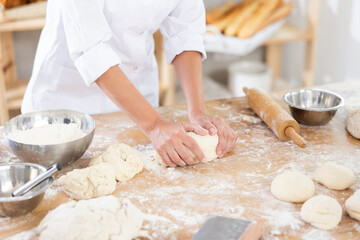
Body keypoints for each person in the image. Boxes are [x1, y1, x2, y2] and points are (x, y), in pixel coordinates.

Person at [22, 0, 238, 167]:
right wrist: (154, 125)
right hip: (67, 105)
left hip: (138, 99)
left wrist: (198, 111)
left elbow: (185, 31)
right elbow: (91, 49)